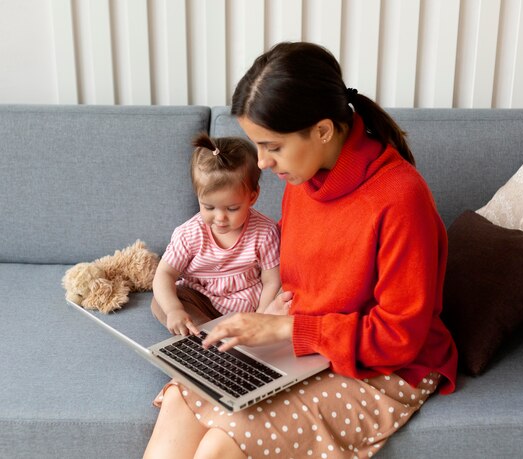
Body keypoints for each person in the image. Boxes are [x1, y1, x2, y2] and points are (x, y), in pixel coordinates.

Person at [144, 42, 458, 459]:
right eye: (257, 145)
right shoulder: (303, 181)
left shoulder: (401, 198)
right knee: (183, 401)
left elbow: (399, 338)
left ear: (323, 130)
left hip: (388, 366)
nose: (263, 163)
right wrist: (265, 320)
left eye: (272, 147)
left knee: (224, 442)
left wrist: (283, 330)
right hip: (303, 347)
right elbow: (297, 285)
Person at [150, 133, 281, 337]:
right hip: (202, 302)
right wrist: (174, 310)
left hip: (246, 308)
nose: (220, 218)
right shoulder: (189, 234)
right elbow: (164, 274)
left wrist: (262, 316)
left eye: (232, 208)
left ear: (252, 197)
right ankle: (203, 337)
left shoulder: (265, 232)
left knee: (284, 297)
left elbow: (272, 280)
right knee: (161, 301)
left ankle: (226, 337)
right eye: (209, 207)